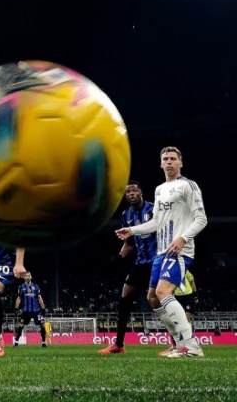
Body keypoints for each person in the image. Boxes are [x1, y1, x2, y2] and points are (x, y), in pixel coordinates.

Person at [116, 146, 207, 358]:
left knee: (163, 292)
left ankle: (192, 346)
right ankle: (177, 344)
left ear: (180, 163)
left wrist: (183, 238)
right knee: (153, 297)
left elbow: (201, 219)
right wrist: (132, 230)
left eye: (173, 159)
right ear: (160, 163)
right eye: (165, 159)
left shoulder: (188, 186)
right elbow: (156, 222)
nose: (169, 162)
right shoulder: (159, 190)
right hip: (161, 252)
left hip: (179, 250)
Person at [98, 181, 156, 355]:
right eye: (128, 192)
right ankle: (119, 344)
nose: (131, 194)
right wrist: (118, 257)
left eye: (134, 191)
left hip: (156, 262)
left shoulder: (154, 209)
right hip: (140, 263)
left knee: (159, 300)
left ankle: (178, 342)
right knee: (124, 299)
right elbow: (129, 244)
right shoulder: (126, 215)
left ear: (141, 193)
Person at [12, 272, 47, 347]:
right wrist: (16, 308)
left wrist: (43, 308)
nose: (27, 277)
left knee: (42, 325)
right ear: (24, 278)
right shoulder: (21, 286)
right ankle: (16, 342)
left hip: (36, 311)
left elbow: (39, 297)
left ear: (31, 277)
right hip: (25, 311)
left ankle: (44, 342)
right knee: (21, 325)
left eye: (29, 275)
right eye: (26, 276)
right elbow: (19, 298)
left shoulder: (36, 286)